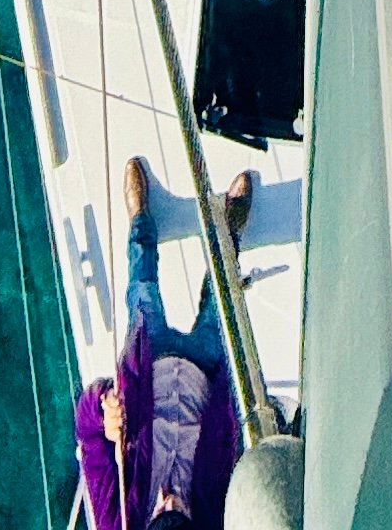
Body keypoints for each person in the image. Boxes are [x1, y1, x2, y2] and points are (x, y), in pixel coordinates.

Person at [77, 157, 251, 526]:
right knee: (222, 300)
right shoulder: (217, 519)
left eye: (159, 509)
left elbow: (88, 434)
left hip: (149, 360)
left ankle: (140, 218)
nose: (166, 497)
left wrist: (103, 409)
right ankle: (229, 230)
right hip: (206, 370)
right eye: (179, 508)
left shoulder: (117, 519)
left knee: (142, 286)